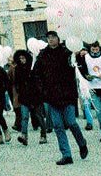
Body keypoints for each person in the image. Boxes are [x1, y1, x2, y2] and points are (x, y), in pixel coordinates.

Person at [32, 31, 89, 166]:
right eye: (48, 38)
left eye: (53, 37)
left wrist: (79, 56)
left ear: (58, 38)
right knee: (57, 125)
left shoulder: (67, 52)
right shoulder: (43, 55)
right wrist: (42, 90)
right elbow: (36, 74)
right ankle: (66, 154)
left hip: (67, 94)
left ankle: (82, 143)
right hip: (51, 96)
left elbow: (77, 67)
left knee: (71, 122)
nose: (51, 40)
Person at [11, 49, 48, 146]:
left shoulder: (33, 68)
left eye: (23, 58)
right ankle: (24, 135)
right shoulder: (18, 69)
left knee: (39, 116)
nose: (22, 60)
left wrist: (39, 93)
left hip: (35, 97)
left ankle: (43, 134)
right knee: (24, 116)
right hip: (24, 97)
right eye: (20, 58)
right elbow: (17, 83)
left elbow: (38, 82)